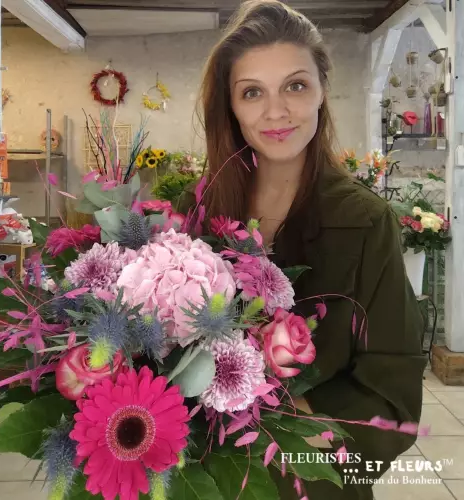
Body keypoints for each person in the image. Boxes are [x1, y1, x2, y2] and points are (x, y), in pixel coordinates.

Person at [179, 1, 427, 498]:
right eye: (252, 92)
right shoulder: (196, 210)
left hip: (311, 480)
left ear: (321, 93)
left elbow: (393, 387)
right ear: (231, 107)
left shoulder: (365, 222)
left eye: (295, 85)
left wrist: (282, 421)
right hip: (207, 479)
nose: (276, 111)